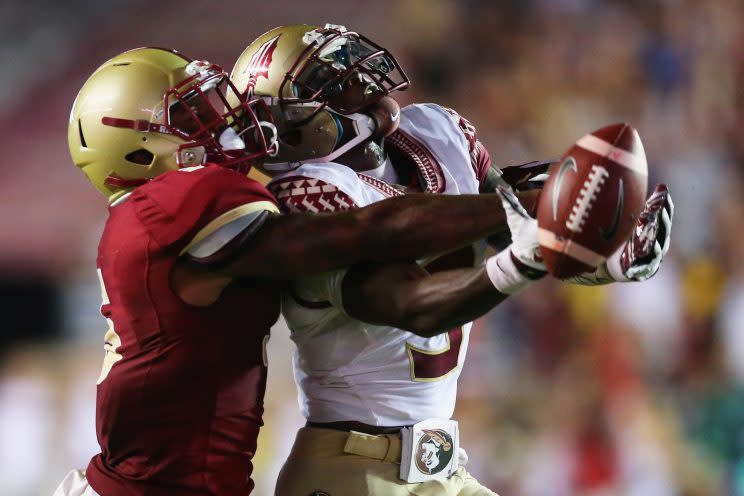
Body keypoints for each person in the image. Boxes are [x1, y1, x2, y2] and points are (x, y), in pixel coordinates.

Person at [54, 46, 542, 496]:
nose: (225, 117)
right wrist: (526, 215)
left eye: (213, 100)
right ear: (138, 152)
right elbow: (363, 233)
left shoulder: (162, 214)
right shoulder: (169, 202)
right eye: (190, 113)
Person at [230, 24, 674, 495]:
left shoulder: (433, 131)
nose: (360, 82)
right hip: (353, 470)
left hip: (440, 467)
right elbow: (412, 302)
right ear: (290, 123)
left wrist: (600, 255)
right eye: (331, 82)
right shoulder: (304, 196)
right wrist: (528, 247)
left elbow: (509, 221)